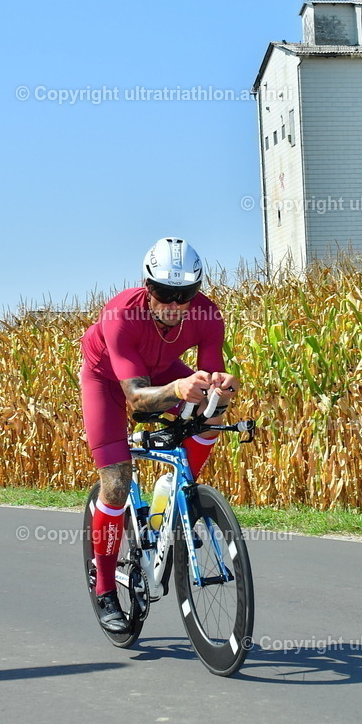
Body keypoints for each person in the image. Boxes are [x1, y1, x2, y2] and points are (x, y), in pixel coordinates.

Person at [80, 236, 239, 634]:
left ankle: (176, 492)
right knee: (116, 483)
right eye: (164, 293)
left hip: (163, 370)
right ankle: (103, 589)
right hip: (108, 381)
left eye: (184, 294)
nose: (174, 304)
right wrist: (176, 390)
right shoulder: (121, 315)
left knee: (215, 410)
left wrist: (222, 389)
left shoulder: (207, 315)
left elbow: (210, 379)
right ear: (147, 286)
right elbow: (136, 399)